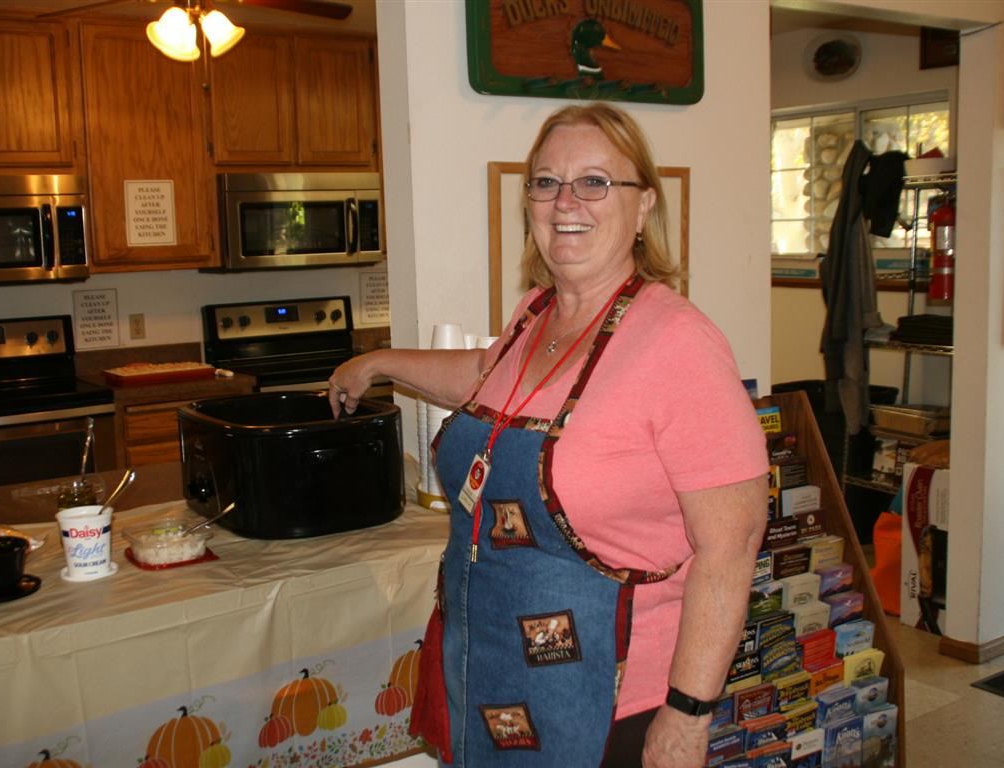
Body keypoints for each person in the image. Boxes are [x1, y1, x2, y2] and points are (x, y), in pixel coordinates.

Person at [327, 103, 768, 768]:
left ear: (644, 205)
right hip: (488, 666)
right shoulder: (535, 315)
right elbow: (486, 377)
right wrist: (380, 363)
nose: (566, 201)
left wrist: (688, 714)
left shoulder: (679, 343)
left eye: (594, 181)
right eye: (546, 182)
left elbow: (731, 547)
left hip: (611, 697)